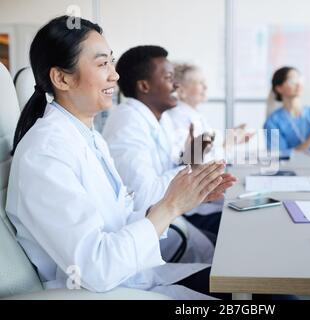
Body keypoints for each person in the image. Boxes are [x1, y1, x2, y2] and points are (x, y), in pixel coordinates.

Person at [6, 16, 229, 299]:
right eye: (102, 64)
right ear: (62, 78)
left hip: (138, 275)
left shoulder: (88, 136)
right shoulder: (44, 153)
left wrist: (187, 195)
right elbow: (96, 267)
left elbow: (120, 217)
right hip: (110, 290)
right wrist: (171, 206)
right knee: (257, 291)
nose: (115, 75)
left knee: (250, 278)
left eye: (112, 62)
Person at [102, 47, 236, 240]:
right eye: (168, 78)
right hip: (156, 234)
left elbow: (166, 170)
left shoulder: (158, 118)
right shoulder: (127, 123)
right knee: (230, 240)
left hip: (175, 220)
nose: (176, 86)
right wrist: (192, 167)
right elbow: (144, 197)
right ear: (144, 86)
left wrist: (189, 160)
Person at [168, 63, 254, 161]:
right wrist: (228, 144)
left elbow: (210, 152)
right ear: (181, 90)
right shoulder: (177, 118)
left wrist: (232, 140)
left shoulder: (195, 115)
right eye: (199, 83)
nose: (205, 87)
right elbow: (194, 161)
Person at [264, 66, 310, 153]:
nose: (298, 84)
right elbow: (280, 156)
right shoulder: (272, 122)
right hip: (291, 167)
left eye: (300, 80)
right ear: (279, 88)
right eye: (292, 81)